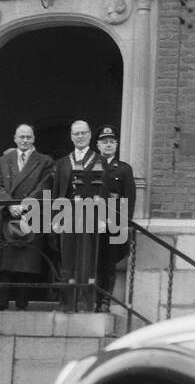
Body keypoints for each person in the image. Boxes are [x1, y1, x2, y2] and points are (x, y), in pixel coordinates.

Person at [0, 123, 53, 310]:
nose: (25, 140)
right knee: (1, 263)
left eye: (28, 137)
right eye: (21, 137)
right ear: (15, 138)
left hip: (29, 216)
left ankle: (22, 304)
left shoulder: (45, 161)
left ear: (33, 139)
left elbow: (44, 187)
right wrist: (10, 204)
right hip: (5, 216)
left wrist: (23, 205)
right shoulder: (3, 160)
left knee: (24, 265)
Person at [51, 119, 101, 313]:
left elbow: (103, 192)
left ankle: (83, 303)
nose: (80, 137)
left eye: (83, 133)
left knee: (86, 261)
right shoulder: (62, 163)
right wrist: (54, 218)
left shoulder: (99, 160)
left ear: (89, 135)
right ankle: (66, 303)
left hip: (89, 217)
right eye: (76, 134)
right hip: (65, 216)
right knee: (67, 261)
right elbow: (56, 192)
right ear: (71, 137)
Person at [90, 125, 135, 312]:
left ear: (116, 145)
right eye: (104, 142)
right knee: (90, 261)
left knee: (108, 264)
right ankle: (88, 300)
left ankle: (104, 301)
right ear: (98, 145)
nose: (108, 145)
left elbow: (128, 199)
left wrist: (123, 225)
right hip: (91, 222)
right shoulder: (91, 166)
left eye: (112, 142)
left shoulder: (123, 169)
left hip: (113, 224)